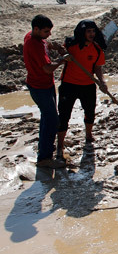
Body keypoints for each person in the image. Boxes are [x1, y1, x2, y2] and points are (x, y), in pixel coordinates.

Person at [56, 20, 108, 158]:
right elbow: (59, 51)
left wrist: (102, 82)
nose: (91, 34)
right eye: (88, 31)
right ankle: (60, 144)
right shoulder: (70, 45)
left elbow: (97, 68)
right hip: (69, 85)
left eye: (93, 31)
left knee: (90, 112)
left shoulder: (97, 49)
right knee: (64, 115)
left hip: (88, 85)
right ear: (82, 33)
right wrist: (64, 55)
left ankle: (88, 134)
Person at [23, 15, 68, 168]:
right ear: (36, 29)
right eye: (46, 32)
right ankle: (44, 158)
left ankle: (45, 149)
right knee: (52, 120)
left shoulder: (32, 36)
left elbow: (45, 44)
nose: (49, 34)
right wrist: (62, 60)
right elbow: (48, 69)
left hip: (44, 85)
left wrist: (51, 45)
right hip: (39, 87)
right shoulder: (33, 45)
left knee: (47, 118)